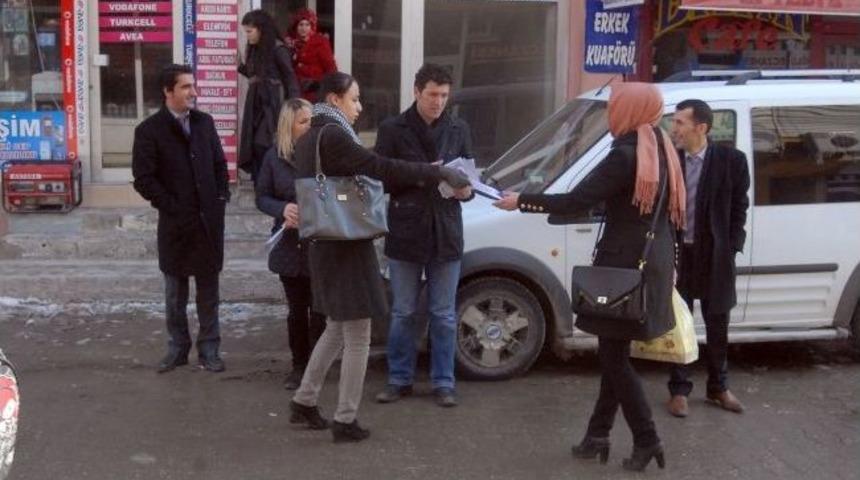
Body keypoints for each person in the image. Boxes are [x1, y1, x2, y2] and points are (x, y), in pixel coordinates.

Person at [494, 82, 686, 472]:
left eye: (615, 107)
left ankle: (647, 438)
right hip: (652, 263)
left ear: (630, 111)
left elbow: (577, 199)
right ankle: (596, 436)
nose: (611, 114)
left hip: (626, 269)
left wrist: (523, 201)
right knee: (614, 353)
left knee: (614, 359)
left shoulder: (627, 154)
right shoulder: (662, 150)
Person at [287, 72, 470, 443]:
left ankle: (304, 400)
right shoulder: (334, 135)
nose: (359, 107)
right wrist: (437, 172)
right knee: (358, 334)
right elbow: (382, 167)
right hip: (346, 243)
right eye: (354, 99)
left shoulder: (311, 136)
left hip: (327, 242)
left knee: (337, 327)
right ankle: (345, 418)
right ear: (335, 100)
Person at [373, 64, 473, 408]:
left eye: (444, 95)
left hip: (446, 229)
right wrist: (429, 175)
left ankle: (444, 382)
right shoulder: (393, 128)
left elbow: (469, 176)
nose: (438, 102)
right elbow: (383, 177)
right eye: (432, 94)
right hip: (406, 228)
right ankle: (399, 378)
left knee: (444, 314)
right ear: (416, 91)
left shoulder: (459, 127)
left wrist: (466, 192)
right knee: (403, 311)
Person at [132, 64, 230, 373]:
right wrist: (172, 206)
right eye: (186, 87)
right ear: (168, 91)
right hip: (175, 225)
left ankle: (210, 349)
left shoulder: (204, 123)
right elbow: (144, 179)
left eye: (193, 86)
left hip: (207, 223)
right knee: (175, 295)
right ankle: (177, 349)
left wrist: (220, 198)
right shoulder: (149, 130)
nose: (193, 92)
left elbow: (218, 164)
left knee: (209, 294)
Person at [666, 99, 750, 417]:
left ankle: (718, 387)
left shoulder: (732, 161)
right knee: (678, 323)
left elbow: (739, 206)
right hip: (679, 255)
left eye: (679, 123)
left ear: (700, 128)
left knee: (718, 323)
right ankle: (678, 390)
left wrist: (730, 246)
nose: (674, 129)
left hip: (715, 256)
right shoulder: (670, 160)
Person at [255, 98, 326, 390]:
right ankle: (299, 366)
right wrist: (282, 209)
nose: (309, 126)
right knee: (297, 310)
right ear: (289, 126)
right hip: (289, 246)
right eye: (302, 122)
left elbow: (340, 194)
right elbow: (262, 197)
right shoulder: (274, 157)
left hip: (320, 244)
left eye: (312, 120)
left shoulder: (324, 153)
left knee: (320, 309)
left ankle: (317, 366)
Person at [238, 9, 301, 184]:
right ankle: (261, 183)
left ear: (261, 29)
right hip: (256, 103)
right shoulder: (255, 49)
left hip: (273, 104)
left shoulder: (278, 49)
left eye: (249, 31)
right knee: (254, 145)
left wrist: (294, 107)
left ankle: (267, 183)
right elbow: (256, 76)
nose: (248, 36)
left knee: (264, 143)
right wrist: (241, 67)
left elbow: (290, 78)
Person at [285, 8, 337, 103]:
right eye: (301, 25)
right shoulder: (291, 44)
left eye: (307, 25)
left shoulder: (320, 42)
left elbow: (331, 69)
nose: (304, 28)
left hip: (315, 93)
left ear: (312, 26)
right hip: (296, 93)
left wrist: (325, 89)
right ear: (296, 26)